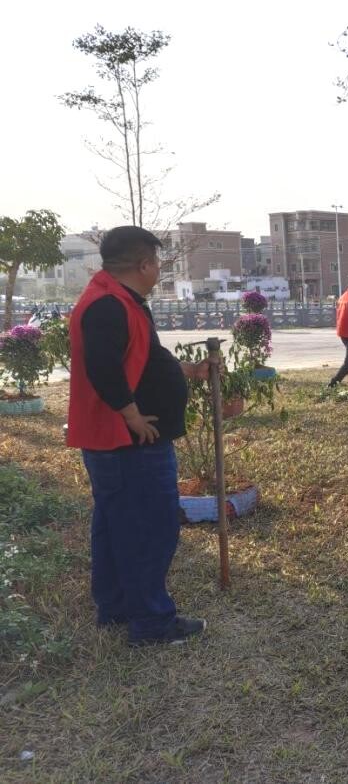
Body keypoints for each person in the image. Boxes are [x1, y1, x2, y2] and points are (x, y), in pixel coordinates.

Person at [67, 226, 209, 646]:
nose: (159, 270)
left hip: (121, 441)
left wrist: (190, 371)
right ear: (144, 264)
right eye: (157, 263)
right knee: (148, 528)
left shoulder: (121, 299)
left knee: (117, 525)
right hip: (127, 443)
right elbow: (103, 367)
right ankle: (151, 623)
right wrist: (131, 416)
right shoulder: (107, 305)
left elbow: (145, 357)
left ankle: (116, 608)